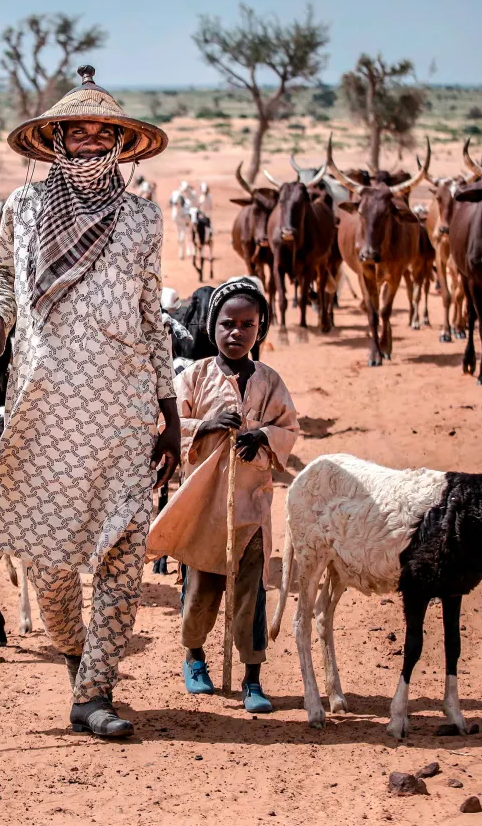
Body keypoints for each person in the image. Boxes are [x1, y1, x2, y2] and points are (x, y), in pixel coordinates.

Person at [0, 66, 180, 739]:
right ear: (54, 138)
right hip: (43, 412)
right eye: (75, 130)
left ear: (118, 142)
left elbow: (150, 319)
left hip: (125, 413)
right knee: (47, 564)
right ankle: (79, 658)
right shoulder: (21, 210)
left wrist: (169, 417)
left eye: (101, 130)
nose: (88, 139)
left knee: (121, 556)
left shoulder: (140, 219)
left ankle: (95, 693)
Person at [146, 278, 298, 713]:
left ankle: (252, 677)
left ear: (259, 328)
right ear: (213, 325)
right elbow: (167, 429)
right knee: (200, 591)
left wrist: (262, 436)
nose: (237, 332)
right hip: (204, 505)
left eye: (247, 324)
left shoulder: (269, 381)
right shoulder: (193, 377)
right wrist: (208, 424)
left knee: (252, 593)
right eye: (228, 323)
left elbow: (289, 430)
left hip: (251, 506)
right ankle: (194, 656)